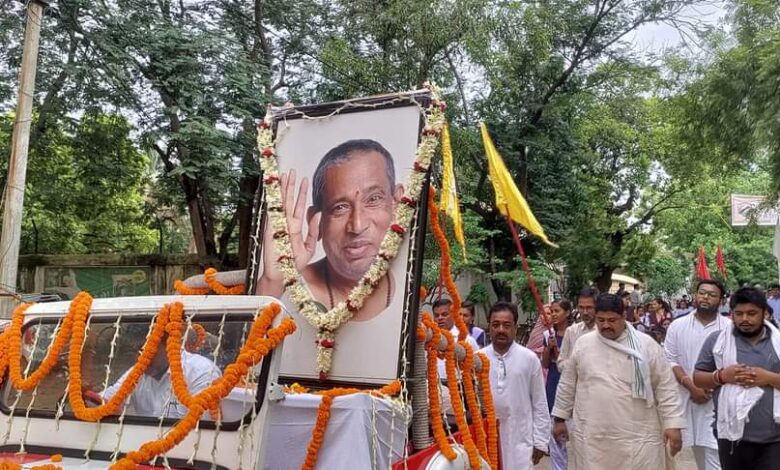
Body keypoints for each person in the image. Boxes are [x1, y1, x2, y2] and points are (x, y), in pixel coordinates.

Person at [258, 139, 403, 321]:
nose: (357, 226)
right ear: (316, 221)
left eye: (373, 199)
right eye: (340, 208)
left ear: (397, 204)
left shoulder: (411, 284)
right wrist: (273, 281)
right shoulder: (288, 288)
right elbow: (250, 337)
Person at [551, 293, 685, 469]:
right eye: (601, 320)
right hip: (593, 434)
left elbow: (665, 386)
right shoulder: (583, 344)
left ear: (623, 317)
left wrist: (673, 424)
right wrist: (560, 419)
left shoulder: (646, 345)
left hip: (637, 435)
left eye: (612, 320)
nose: (606, 325)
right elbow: (567, 384)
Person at [693, 287, 780, 469]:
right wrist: (722, 376)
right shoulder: (718, 341)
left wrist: (769, 378)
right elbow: (698, 378)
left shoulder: (777, 342)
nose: (744, 319)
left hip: (774, 439)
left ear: (764, 313)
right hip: (730, 437)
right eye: (738, 314)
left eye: (751, 313)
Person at [664, 279, 730, 470]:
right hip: (687, 398)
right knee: (699, 453)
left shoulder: (729, 328)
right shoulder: (678, 325)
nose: (705, 297)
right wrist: (691, 386)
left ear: (721, 301)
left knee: (716, 454)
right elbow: (669, 360)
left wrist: (709, 386)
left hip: (717, 401)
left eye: (712, 295)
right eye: (702, 293)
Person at [480, 301, 550, 470]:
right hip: (485, 439)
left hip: (520, 439)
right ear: (489, 328)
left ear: (515, 328)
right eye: (495, 325)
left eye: (506, 325)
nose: (501, 330)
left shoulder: (529, 359)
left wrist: (540, 441)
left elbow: (539, 401)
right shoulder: (478, 359)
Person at [101, 335, 222, 419]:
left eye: (148, 350)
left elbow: (203, 429)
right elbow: (107, 398)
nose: (141, 358)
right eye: (136, 351)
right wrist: (97, 403)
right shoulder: (137, 372)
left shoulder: (202, 371)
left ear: (169, 345)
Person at [542, 298, 572, 470]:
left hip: (571, 385)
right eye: (551, 311)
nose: (553, 314)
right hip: (554, 385)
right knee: (555, 437)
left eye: (557, 311)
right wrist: (549, 348)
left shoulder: (575, 334)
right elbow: (545, 364)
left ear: (567, 313)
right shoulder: (549, 335)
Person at [432, 298, 479, 378]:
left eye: (444, 314)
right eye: (436, 315)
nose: (440, 318)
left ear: (453, 315)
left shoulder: (468, 340)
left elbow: (477, 369)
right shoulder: (430, 341)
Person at [557, 288, 598, 373]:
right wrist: (575, 365)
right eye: (581, 308)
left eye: (589, 308)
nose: (585, 312)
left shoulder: (605, 332)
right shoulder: (571, 331)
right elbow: (560, 363)